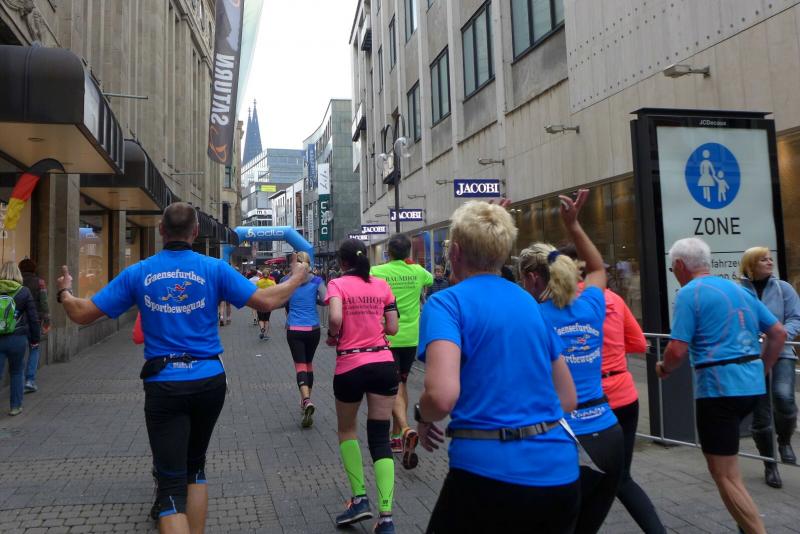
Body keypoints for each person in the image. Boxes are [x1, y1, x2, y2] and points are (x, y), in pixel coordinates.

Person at [55, 202, 305, 534]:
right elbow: (269, 301)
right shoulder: (214, 269)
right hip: (209, 381)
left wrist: (64, 291)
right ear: (196, 232)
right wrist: (298, 276)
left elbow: (81, 313)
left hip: (165, 385)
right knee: (195, 469)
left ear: (161, 230)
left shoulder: (139, 272)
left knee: (171, 488)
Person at [415, 200, 579, 533]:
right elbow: (567, 397)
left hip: (486, 475)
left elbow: (442, 396)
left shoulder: (447, 303)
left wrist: (422, 414)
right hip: (559, 473)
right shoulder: (528, 302)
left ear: (455, 252)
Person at [657, 237, 786, 534]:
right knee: (731, 467)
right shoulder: (740, 290)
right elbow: (778, 333)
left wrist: (663, 368)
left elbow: (677, 349)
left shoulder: (689, 293)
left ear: (680, 265)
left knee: (724, 475)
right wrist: (762, 369)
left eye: (673, 268)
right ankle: (745, 524)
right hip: (751, 387)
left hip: (718, 391)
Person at [518, 189, 624, 534]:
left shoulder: (532, 317)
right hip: (608, 434)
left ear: (532, 279)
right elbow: (597, 267)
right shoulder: (591, 305)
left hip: (563, 439)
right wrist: (574, 225)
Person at [558, 245, 666, 533]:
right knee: (621, 477)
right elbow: (639, 343)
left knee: (576, 478)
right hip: (625, 395)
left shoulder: (563, 303)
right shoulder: (613, 299)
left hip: (587, 402)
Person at [325, 239, 399, 534]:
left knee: (347, 430)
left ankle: (359, 499)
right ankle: (387, 517)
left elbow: (334, 317)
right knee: (380, 437)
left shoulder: (337, 284)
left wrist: (334, 336)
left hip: (351, 365)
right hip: (383, 363)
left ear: (342, 262)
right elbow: (392, 327)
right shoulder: (381, 285)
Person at [739, 246, 800, 489]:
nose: (769, 262)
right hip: (751, 356)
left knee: (784, 397)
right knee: (761, 413)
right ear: (750, 265)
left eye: (770, 258)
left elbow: (796, 318)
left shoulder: (784, 288)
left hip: (782, 351)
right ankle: (769, 464)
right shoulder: (739, 291)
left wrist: (780, 334)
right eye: (763, 259)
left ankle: (784, 440)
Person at [371, 234, 433, 469]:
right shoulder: (417, 271)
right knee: (402, 383)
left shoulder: (377, 271)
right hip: (410, 338)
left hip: (387, 335)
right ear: (408, 253)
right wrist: (410, 264)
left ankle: (404, 430)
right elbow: (430, 279)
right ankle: (396, 436)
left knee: (393, 385)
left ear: (388, 252)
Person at [280, 251, 326, 428]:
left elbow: (281, 299)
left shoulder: (287, 280)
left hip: (294, 329)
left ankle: (306, 400)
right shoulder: (317, 280)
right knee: (308, 365)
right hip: (313, 329)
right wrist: (314, 299)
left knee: (300, 366)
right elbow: (325, 299)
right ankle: (306, 400)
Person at [0, 262, 40, 416]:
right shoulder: (24, 292)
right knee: (16, 372)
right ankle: (15, 406)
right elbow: (33, 318)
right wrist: (35, 339)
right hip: (18, 338)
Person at [19, 259, 48, 393]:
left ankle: (18, 380)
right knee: (34, 348)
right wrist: (47, 319)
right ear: (34, 269)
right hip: (35, 320)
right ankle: (30, 380)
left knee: (19, 350)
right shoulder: (40, 282)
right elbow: (44, 302)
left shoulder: (17, 282)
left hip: (18, 321)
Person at [256, 268, 276, 340]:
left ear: (262, 274)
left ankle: (262, 328)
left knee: (261, 319)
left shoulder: (259, 282)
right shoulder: (272, 282)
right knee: (267, 319)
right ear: (269, 274)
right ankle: (266, 335)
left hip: (260, 302)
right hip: (268, 302)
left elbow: (255, 291)